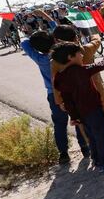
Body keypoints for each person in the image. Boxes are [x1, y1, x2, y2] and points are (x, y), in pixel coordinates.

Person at [52, 37, 104, 174]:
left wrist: (74, 116)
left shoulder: (59, 77)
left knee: (92, 137)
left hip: (82, 114)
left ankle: (97, 159)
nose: (82, 56)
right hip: (94, 110)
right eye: (79, 54)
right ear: (70, 57)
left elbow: (66, 99)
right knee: (102, 137)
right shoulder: (81, 70)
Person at [21, 28, 89, 163]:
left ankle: (63, 153)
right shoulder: (62, 54)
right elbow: (58, 31)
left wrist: (33, 38)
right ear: (53, 39)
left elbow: (24, 43)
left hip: (53, 95)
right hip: (72, 92)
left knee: (59, 124)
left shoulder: (40, 58)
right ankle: (85, 147)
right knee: (78, 118)